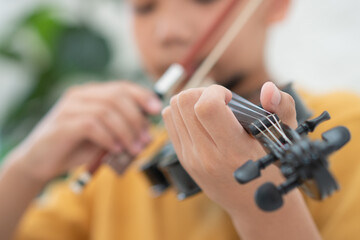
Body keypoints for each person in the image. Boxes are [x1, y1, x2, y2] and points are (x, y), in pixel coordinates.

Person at [0, 0, 358, 239]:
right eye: (144, 7)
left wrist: (256, 207)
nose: (168, 31)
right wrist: (25, 169)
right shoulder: (125, 158)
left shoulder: (350, 125)